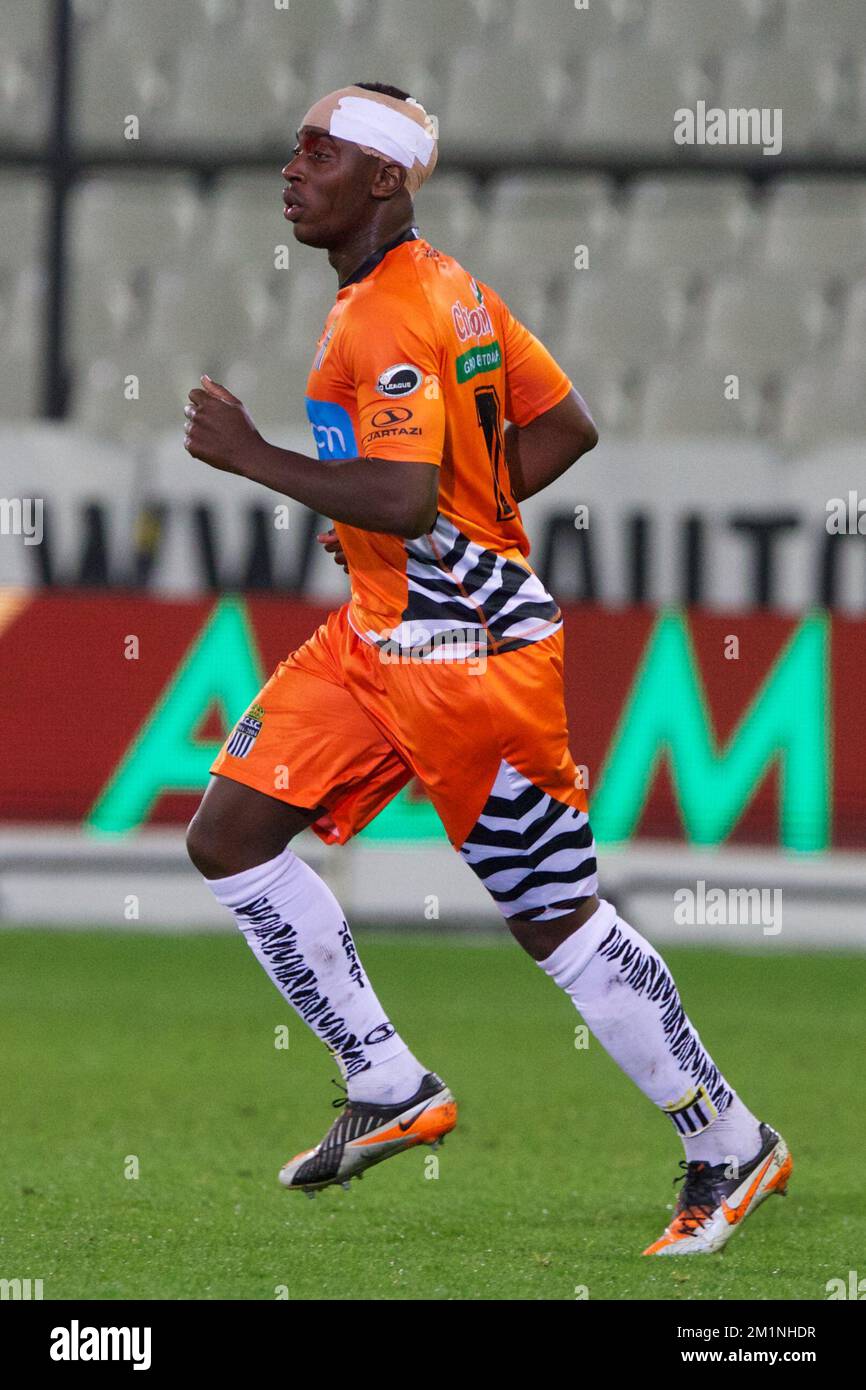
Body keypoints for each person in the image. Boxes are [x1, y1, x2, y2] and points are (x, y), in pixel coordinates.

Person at [183, 82, 792, 1253]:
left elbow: (407, 495)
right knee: (229, 834)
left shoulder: (385, 317)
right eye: (296, 147)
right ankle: (388, 1079)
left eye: (321, 151)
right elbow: (560, 427)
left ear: (386, 180)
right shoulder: (442, 289)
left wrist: (256, 455)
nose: (291, 166)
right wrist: (420, 520)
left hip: (471, 657)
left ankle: (728, 1139)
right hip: (376, 630)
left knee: (554, 917)